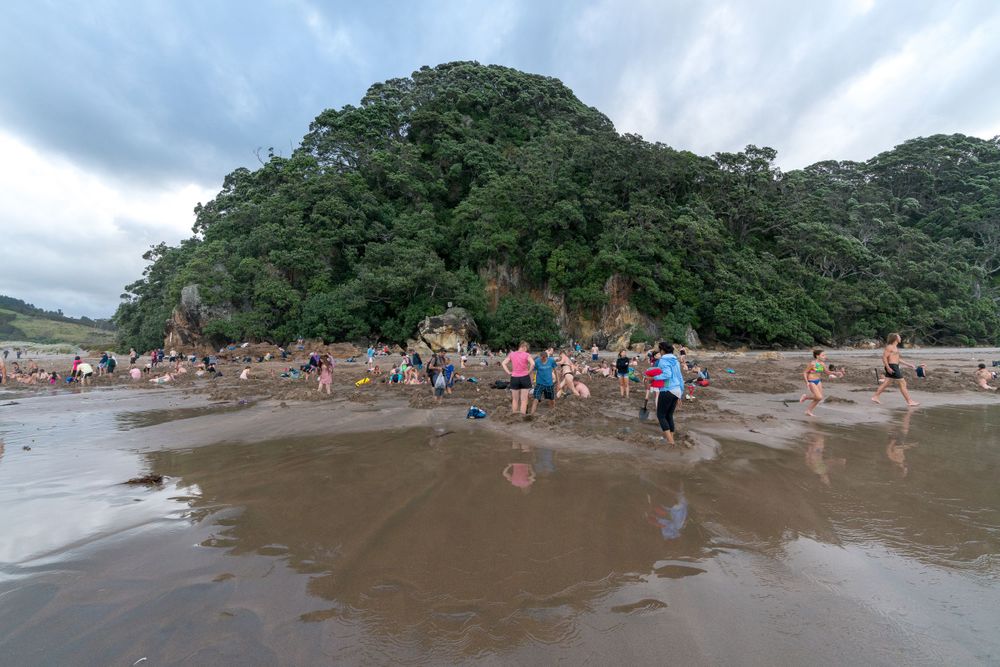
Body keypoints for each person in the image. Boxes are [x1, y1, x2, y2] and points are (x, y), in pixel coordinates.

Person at [650, 342, 684, 447]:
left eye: (659, 350)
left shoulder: (663, 360)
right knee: (669, 415)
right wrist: (680, 394)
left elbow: (667, 375)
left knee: (661, 415)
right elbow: (680, 377)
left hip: (667, 390)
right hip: (677, 390)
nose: (659, 352)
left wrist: (653, 378)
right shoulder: (675, 360)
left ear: (663, 350)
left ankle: (670, 442)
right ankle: (671, 439)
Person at [871, 333, 920, 406]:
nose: (900, 338)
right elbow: (884, 357)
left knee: (886, 383)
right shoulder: (889, 347)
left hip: (894, 366)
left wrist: (909, 364)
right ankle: (909, 401)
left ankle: (875, 397)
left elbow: (898, 359)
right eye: (899, 337)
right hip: (892, 367)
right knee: (903, 383)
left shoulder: (895, 347)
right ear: (895, 338)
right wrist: (888, 367)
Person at [799, 349, 842, 416]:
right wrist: (807, 382)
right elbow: (805, 372)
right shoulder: (812, 363)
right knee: (819, 397)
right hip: (811, 381)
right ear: (817, 356)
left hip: (818, 381)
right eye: (823, 355)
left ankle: (808, 411)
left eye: (825, 355)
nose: (825, 357)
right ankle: (806, 397)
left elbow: (827, 372)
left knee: (819, 398)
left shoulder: (822, 364)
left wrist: (836, 373)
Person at [501, 341, 535, 415]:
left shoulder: (512, 354)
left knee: (515, 400)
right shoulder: (527, 355)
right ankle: (522, 417)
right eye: (526, 349)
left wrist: (508, 372)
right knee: (524, 400)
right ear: (524, 347)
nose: (526, 350)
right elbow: (533, 364)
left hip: (514, 378)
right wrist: (529, 371)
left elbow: (503, 363)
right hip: (524, 377)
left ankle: (515, 416)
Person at [530, 348, 558, 415]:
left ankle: (553, 413)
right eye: (541, 358)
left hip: (549, 383)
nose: (542, 359)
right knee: (536, 398)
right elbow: (533, 372)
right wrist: (531, 381)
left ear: (546, 357)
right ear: (540, 357)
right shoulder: (537, 361)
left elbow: (556, 371)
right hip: (539, 383)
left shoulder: (551, 360)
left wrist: (558, 381)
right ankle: (531, 414)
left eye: (544, 358)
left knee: (551, 399)